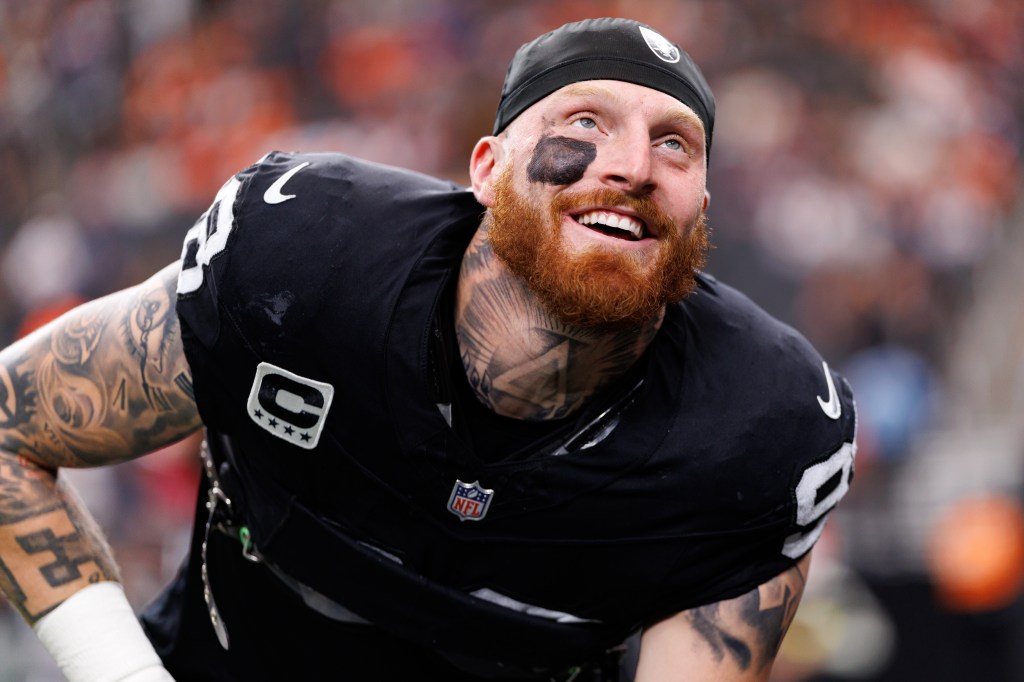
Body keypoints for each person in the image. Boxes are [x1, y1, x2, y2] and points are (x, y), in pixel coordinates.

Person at [0, 17, 856, 682]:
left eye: (676, 143)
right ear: (485, 169)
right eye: (585, 121)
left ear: (700, 211)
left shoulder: (760, 430)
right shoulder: (304, 259)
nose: (633, 164)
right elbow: (10, 429)